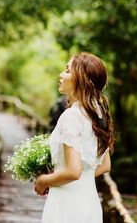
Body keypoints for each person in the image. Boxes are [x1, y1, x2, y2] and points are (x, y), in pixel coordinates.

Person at [35, 52, 115, 223]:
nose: (61, 75)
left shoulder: (71, 117)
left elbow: (72, 171)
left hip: (67, 205)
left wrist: (44, 180)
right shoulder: (98, 115)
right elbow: (105, 165)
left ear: (81, 79)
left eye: (67, 71)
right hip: (89, 201)